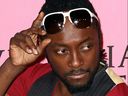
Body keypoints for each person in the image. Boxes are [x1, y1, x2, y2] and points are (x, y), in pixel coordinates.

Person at [0, 0, 128, 96]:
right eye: (62, 51)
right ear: (46, 51)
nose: (76, 62)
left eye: (86, 47)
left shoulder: (112, 91)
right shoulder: (35, 78)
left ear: (99, 41)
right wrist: (12, 66)